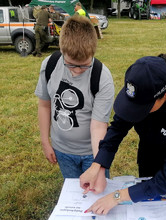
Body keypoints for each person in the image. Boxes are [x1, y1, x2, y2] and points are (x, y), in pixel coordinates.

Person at [80, 54, 166, 215]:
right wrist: (98, 164)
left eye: (141, 108)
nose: (133, 111)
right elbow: (118, 128)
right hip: (150, 151)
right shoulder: (141, 87)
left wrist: (117, 196)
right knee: (148, 206)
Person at [35, 15, 114, 179]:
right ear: (61, 50)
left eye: (84, 65)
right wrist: (45, 142)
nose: (77, 71)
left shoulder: (102, 76)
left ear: (93, 52)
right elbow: (44, 105)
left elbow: (99, 126)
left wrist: (97, 165)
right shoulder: (49, 65)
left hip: (92, 152)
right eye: (70, 64)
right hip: (62, 150)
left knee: (95, 194)